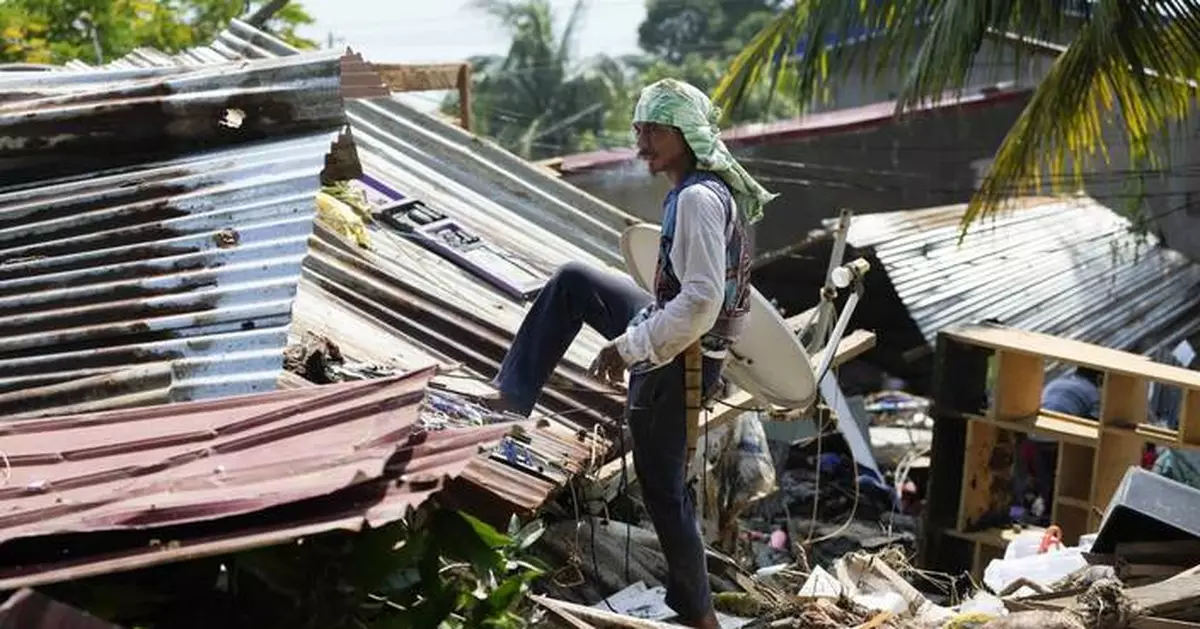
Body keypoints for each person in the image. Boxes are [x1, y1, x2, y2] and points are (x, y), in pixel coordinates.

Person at [482, 79, 777, 628]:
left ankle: (700, 614)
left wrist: (630, 346)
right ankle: (511, 395)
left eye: (654, 132)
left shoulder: (696, 200)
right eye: (638, 129)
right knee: (574, 281)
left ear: (686, 135)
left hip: (681, 355)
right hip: (672, 327)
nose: (641, 143)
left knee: (665, 491)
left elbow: (703, 300)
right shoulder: (698, 190)